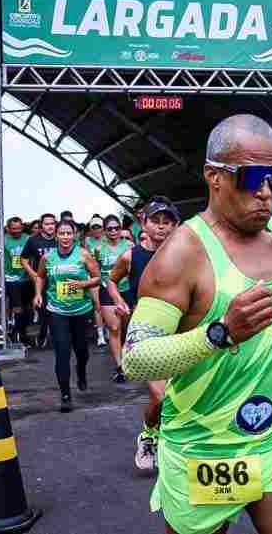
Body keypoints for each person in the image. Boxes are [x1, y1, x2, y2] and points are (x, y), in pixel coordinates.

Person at [122, 114, 272, 534]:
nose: (264, 193)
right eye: (250, 178)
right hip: (205, 449)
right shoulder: (181, 255)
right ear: (214, 177)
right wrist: (220, 332)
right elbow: (137, 358)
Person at [109, 196, 180, 470]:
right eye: (156, 221)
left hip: (179, 332)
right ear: (144, 223)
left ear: (176, 226)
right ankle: (149, 434)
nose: (161, 227)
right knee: (161, 396)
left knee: (179, 395)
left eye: (167, 222)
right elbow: (111, 281)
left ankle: (171, 443)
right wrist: (118, 300)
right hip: (145, 333)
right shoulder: (131, 255)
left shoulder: (184, 253)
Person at [33, 219, 101, 412]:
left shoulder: (83, 254)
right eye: (61, 233)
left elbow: (97, 278)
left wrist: (82, 285)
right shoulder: (48, 257)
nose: (65, 237)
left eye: (68, 233)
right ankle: (65, 396)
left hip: (81, 310)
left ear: (74, 235)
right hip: (57, 311)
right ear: (56, 235)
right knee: (62, 354)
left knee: (82, 351)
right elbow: (40, 276)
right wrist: (38, 294)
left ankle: (81, 372)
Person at [96, 214, 133, 384]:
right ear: (104, 231)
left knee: (126, 328)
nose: (113, 231)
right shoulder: (98, 249)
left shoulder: (130, 246)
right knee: (114, 328)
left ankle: (128, 360)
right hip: (107, 292)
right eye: (109, 228)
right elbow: (94, 272)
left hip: (126, 291)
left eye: (116, 228)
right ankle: (119, 366)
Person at [22, 214, 57, 348]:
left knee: (57, 310)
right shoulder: (33, 241)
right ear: (41, 225)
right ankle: (42, 333)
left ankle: (56, 337)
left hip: (59, 281)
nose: (50, 226)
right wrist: (32, 273)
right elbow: (24, 259)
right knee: (43, 310)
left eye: (52, 223)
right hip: (41, 281)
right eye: (47, 224)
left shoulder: (61, 239)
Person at [3, 216, 32, 345]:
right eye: (14, 229)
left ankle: (22, 331)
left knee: (27, 308)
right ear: (8, 229)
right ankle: (16, 333)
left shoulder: (28, 239)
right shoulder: (3, 239)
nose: (17, 231)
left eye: (19, 228)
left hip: (27, 277)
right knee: (17, 307)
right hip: (11, 278)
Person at [85, 215, 108, 347]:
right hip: (94, 276)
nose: (96, 229)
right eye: (94, 227)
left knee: (108, 305)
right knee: (98, 306)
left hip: (107, 276)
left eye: (98, 226)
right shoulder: (88, 241)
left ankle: (109, 330)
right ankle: (100, 335)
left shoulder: (108, 239)